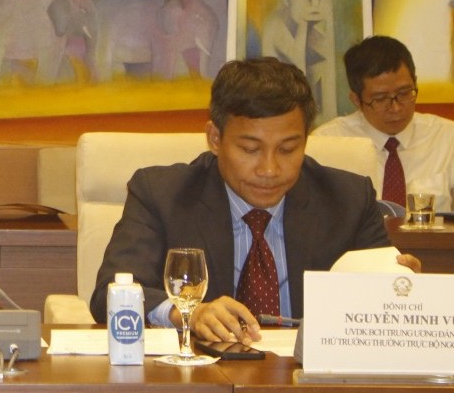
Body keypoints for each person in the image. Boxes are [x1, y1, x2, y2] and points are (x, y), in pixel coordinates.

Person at [90, 58, 420, 344]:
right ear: (215, 138)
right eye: (250, 149)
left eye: (288, 149)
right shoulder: (162, 194)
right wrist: (186, 313)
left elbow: (380, 309)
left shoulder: (348, 199)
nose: (269, 169)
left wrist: (401, 290)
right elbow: (110, 292)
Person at [313, 35, 454, 212]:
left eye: (404, 93)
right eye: (380, 99)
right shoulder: (327, 143)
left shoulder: (447, 137)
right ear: (356, 100)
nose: (396, 108)